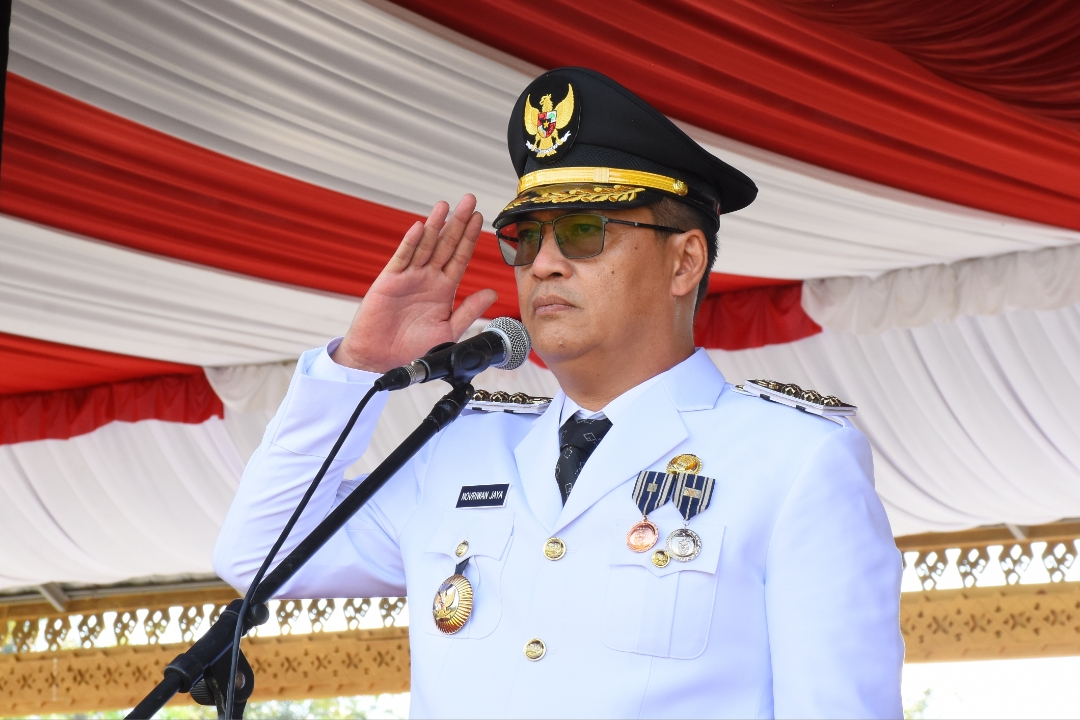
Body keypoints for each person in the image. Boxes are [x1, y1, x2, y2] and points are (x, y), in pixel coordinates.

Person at [214, 67, 903, 718]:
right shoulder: (458, 449)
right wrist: (358, 365)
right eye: (525, 238)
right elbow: (259, 552)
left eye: (582, 232)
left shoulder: (793, 459)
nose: (542, 263)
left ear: (684, 261)